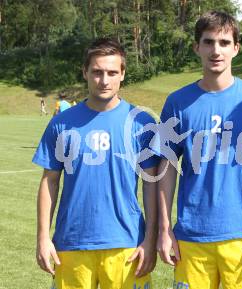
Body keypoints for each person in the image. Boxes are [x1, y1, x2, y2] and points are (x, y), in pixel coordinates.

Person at [156, 11, 242, 289]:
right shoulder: (177, 102)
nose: (216, 50)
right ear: (196, 47)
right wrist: (164, 229)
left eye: (224, 43)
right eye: (208, 42)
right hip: (191, 237)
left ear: (236, 48)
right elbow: (166, 168)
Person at [33, 38, 159, 289]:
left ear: (122, 74)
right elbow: (50, 181)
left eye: (112, 72)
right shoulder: (62, 123)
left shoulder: (141, 122)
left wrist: (150, 239)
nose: (104, 80)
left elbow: (151, 186)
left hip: (127, 243)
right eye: (97, 72)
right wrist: (42, 238)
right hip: (71, 243)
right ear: (85, 73)